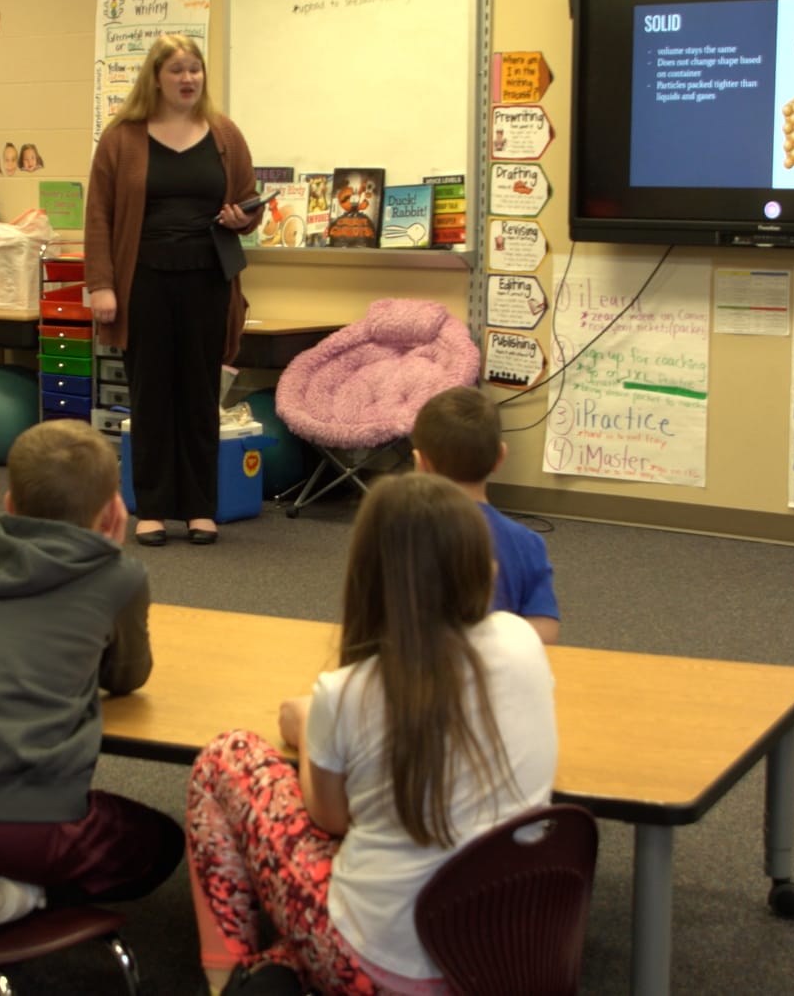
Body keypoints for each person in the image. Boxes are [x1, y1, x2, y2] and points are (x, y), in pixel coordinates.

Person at [185, 472, 558, 994]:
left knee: (226, 755)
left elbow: (329, 819)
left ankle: (228, 976)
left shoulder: (349, 691)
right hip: (500, 954)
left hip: (378, 967)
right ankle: (280, 968)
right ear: (481, 564)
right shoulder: (522, 640)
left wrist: (314, 726)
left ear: (369, 574)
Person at [0, 421, 181, 924]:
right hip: (33, 828)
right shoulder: (119, 576)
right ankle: (27, 896)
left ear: (9, 504)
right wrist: (110, 556)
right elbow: (127, 678)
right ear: (114, 510)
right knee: (163, 844)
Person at [83, 32, 257, 547]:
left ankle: (202, 509)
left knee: (201, 396)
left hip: (208, 280)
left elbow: (250, 204)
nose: (188, 79)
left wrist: (238, 216)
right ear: (155, 77)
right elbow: (99, 216)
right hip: (144, 283)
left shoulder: (224, 134)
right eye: (177, 70)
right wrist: (101, 285)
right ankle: (154, 508)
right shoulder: (122, 137)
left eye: (195, 69)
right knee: (151, 395)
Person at [412, 386, 560, 643]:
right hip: (498, 678)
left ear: (419, 463)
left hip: (418, 673)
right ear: (500, 457)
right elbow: (546, 632)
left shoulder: (397, 533)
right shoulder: (527, 543)